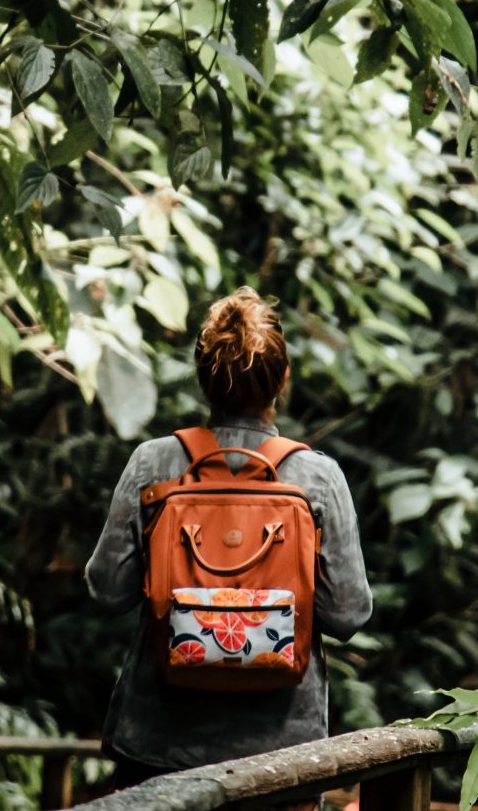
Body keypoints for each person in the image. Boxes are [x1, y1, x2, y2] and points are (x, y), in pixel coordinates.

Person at [84, 289, 372, 786]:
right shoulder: (317, 478)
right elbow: (347, 614)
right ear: (282, 379)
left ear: (203, 379)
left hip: (158, 742)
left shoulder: (154, 463)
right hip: (282, 753)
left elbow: (107, 592)